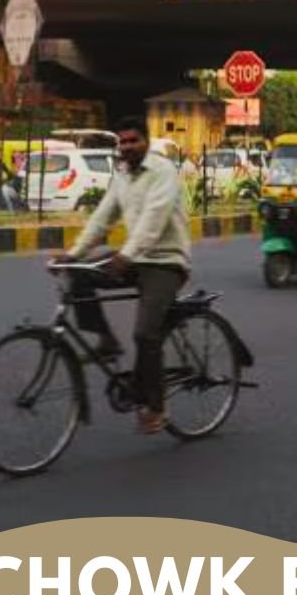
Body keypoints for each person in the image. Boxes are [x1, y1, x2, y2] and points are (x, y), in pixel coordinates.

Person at [60, 117, 191, 435]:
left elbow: (153, 219)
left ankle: (156, 407)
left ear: (146, 142)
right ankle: (105, 339)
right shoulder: (121, 175)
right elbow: (103, 217)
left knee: (147, 334)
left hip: (165, 262)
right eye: (123, 142)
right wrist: (74, 254)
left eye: (133, 140)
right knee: (80, 276)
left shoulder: (163, 172)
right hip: (133, 258)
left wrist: (126, 255)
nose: (127, 147)